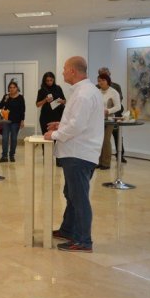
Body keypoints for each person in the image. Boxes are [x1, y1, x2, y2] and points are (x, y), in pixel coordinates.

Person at [44, 56, 104, 253]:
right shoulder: (84, 91)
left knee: (79, 198)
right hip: (77, 152)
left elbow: (77, 126)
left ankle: (83, 241)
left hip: (79, 154)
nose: (62, 72)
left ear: (72, 71)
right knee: (70, 194)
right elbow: (78, 122)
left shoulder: (83, 94)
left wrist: (55, 134)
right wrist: (60, 125)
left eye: (64, 69)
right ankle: (68, 230)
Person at [97, 67, 127, 163]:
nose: (101, 82)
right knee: (100, 140)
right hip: (100, 119)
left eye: (104, 79)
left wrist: (108, 111)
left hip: (112, 118)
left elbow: (118, 104)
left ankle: (113, 158)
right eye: (100, 80)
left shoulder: (115, 88)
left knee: (111, 138)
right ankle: (100, 161)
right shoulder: (97, 89)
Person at [0, 81, 25, 163]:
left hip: (16, 121)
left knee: (13, 139)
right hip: (6, 120)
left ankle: (12, 155)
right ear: (8, 88)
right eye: (10, 87)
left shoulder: (20, 97)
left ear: (17, 88)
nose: (12, 89)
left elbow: (22, 110)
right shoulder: (6, 96)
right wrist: (5, 100)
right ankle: (4, 156)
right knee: (5, 138)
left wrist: (22, 120)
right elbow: (0, 106)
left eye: (14, 87)